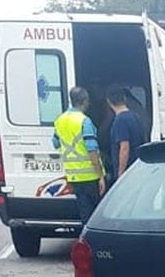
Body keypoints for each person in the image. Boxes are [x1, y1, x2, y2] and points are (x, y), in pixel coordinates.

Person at [51, 86, 106, 225]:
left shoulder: (60, 120)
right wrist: (101, 176)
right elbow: (92, 150)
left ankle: (85, 236)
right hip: (90, 176)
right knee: (97, 215)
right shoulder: (84, 121)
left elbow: (55, 143)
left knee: (84, 213)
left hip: (73, 176)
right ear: (85, 101)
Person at [106, 86, 147, 184]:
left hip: (128, 171)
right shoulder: (135, 116)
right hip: (137, 167)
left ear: (109, 102)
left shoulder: (120, 120)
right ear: (124, 98)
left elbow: (124, 148)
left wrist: (121, 174)